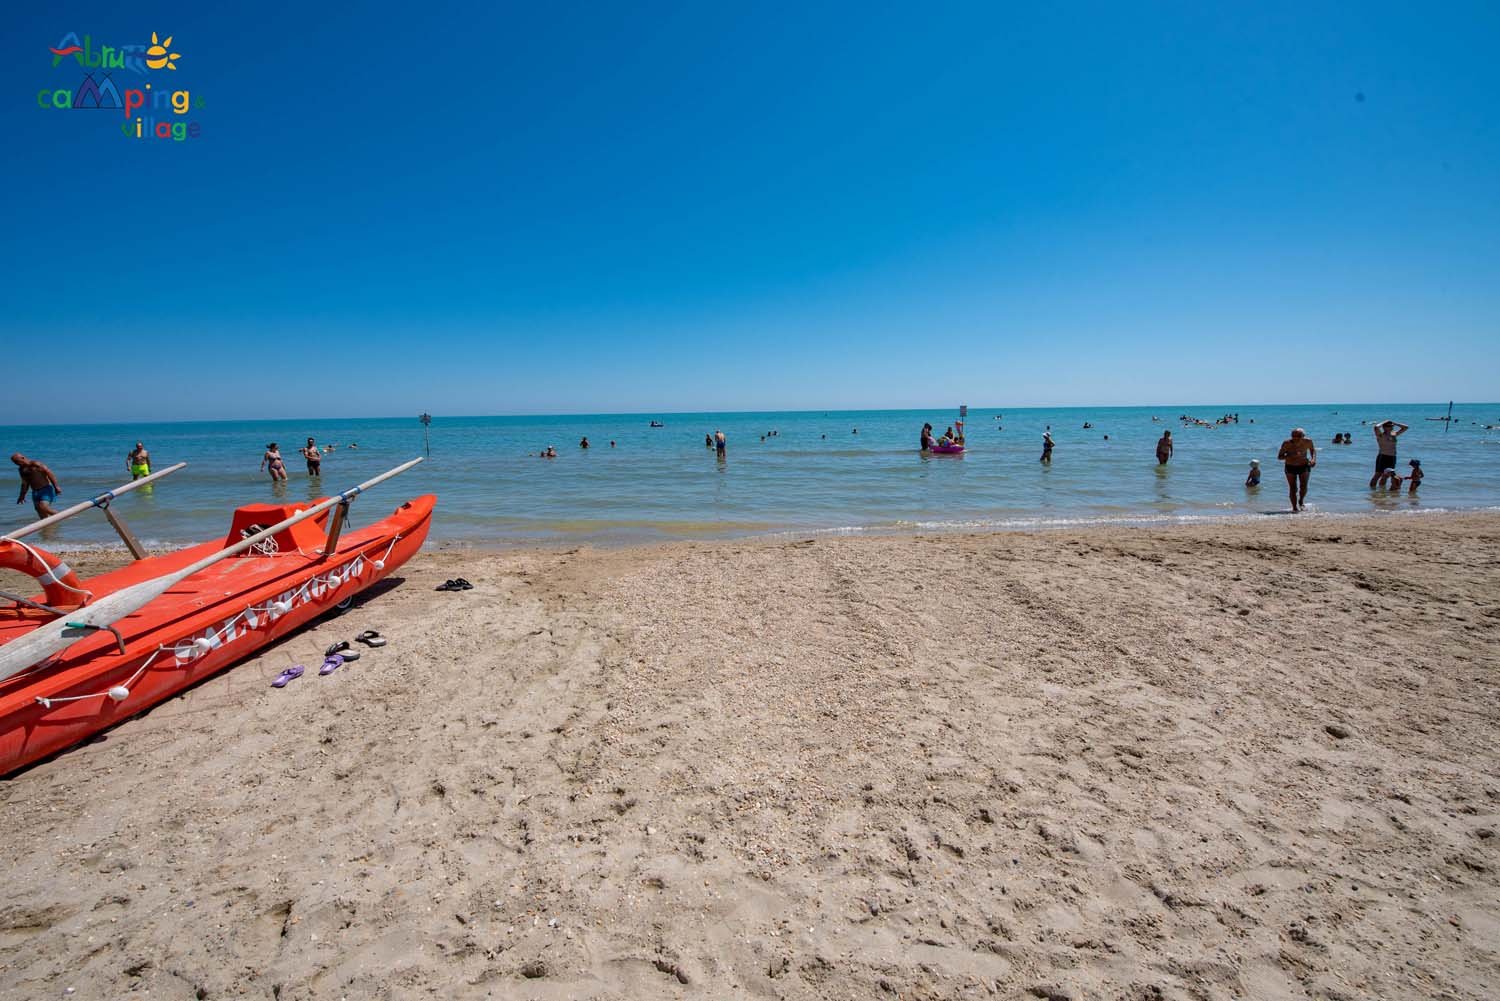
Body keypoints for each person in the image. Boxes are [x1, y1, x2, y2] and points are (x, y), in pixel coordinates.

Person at [1277, 428, 1316, 512]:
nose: (1295, 437)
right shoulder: (1287, 443)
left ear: (1303, 436)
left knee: (1303, 487)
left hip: (1304, 466)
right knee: (1293, 488)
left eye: (1298, 436)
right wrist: (1290, 456)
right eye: (1293, 436)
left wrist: (1313, 459)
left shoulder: (1308, 441)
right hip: (1290, 466)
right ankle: (1294, 508)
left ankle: (1301, 500)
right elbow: (1279, 457)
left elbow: (1312, 450)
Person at [1369, 421, 1409, 488]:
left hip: (1392, 457)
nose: (1392, 427)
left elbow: (1406, 427)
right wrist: (1386, 421)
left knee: (1386, 475)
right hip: (1383, 456)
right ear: (1384, 427)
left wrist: (1394, 423)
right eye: (1389, 426)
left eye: (1392, 426)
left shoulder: (1394, 434)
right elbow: (1376, 427)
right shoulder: (1381, 435)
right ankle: (1372, 491)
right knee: (1378, 475)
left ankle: (1381, 491)